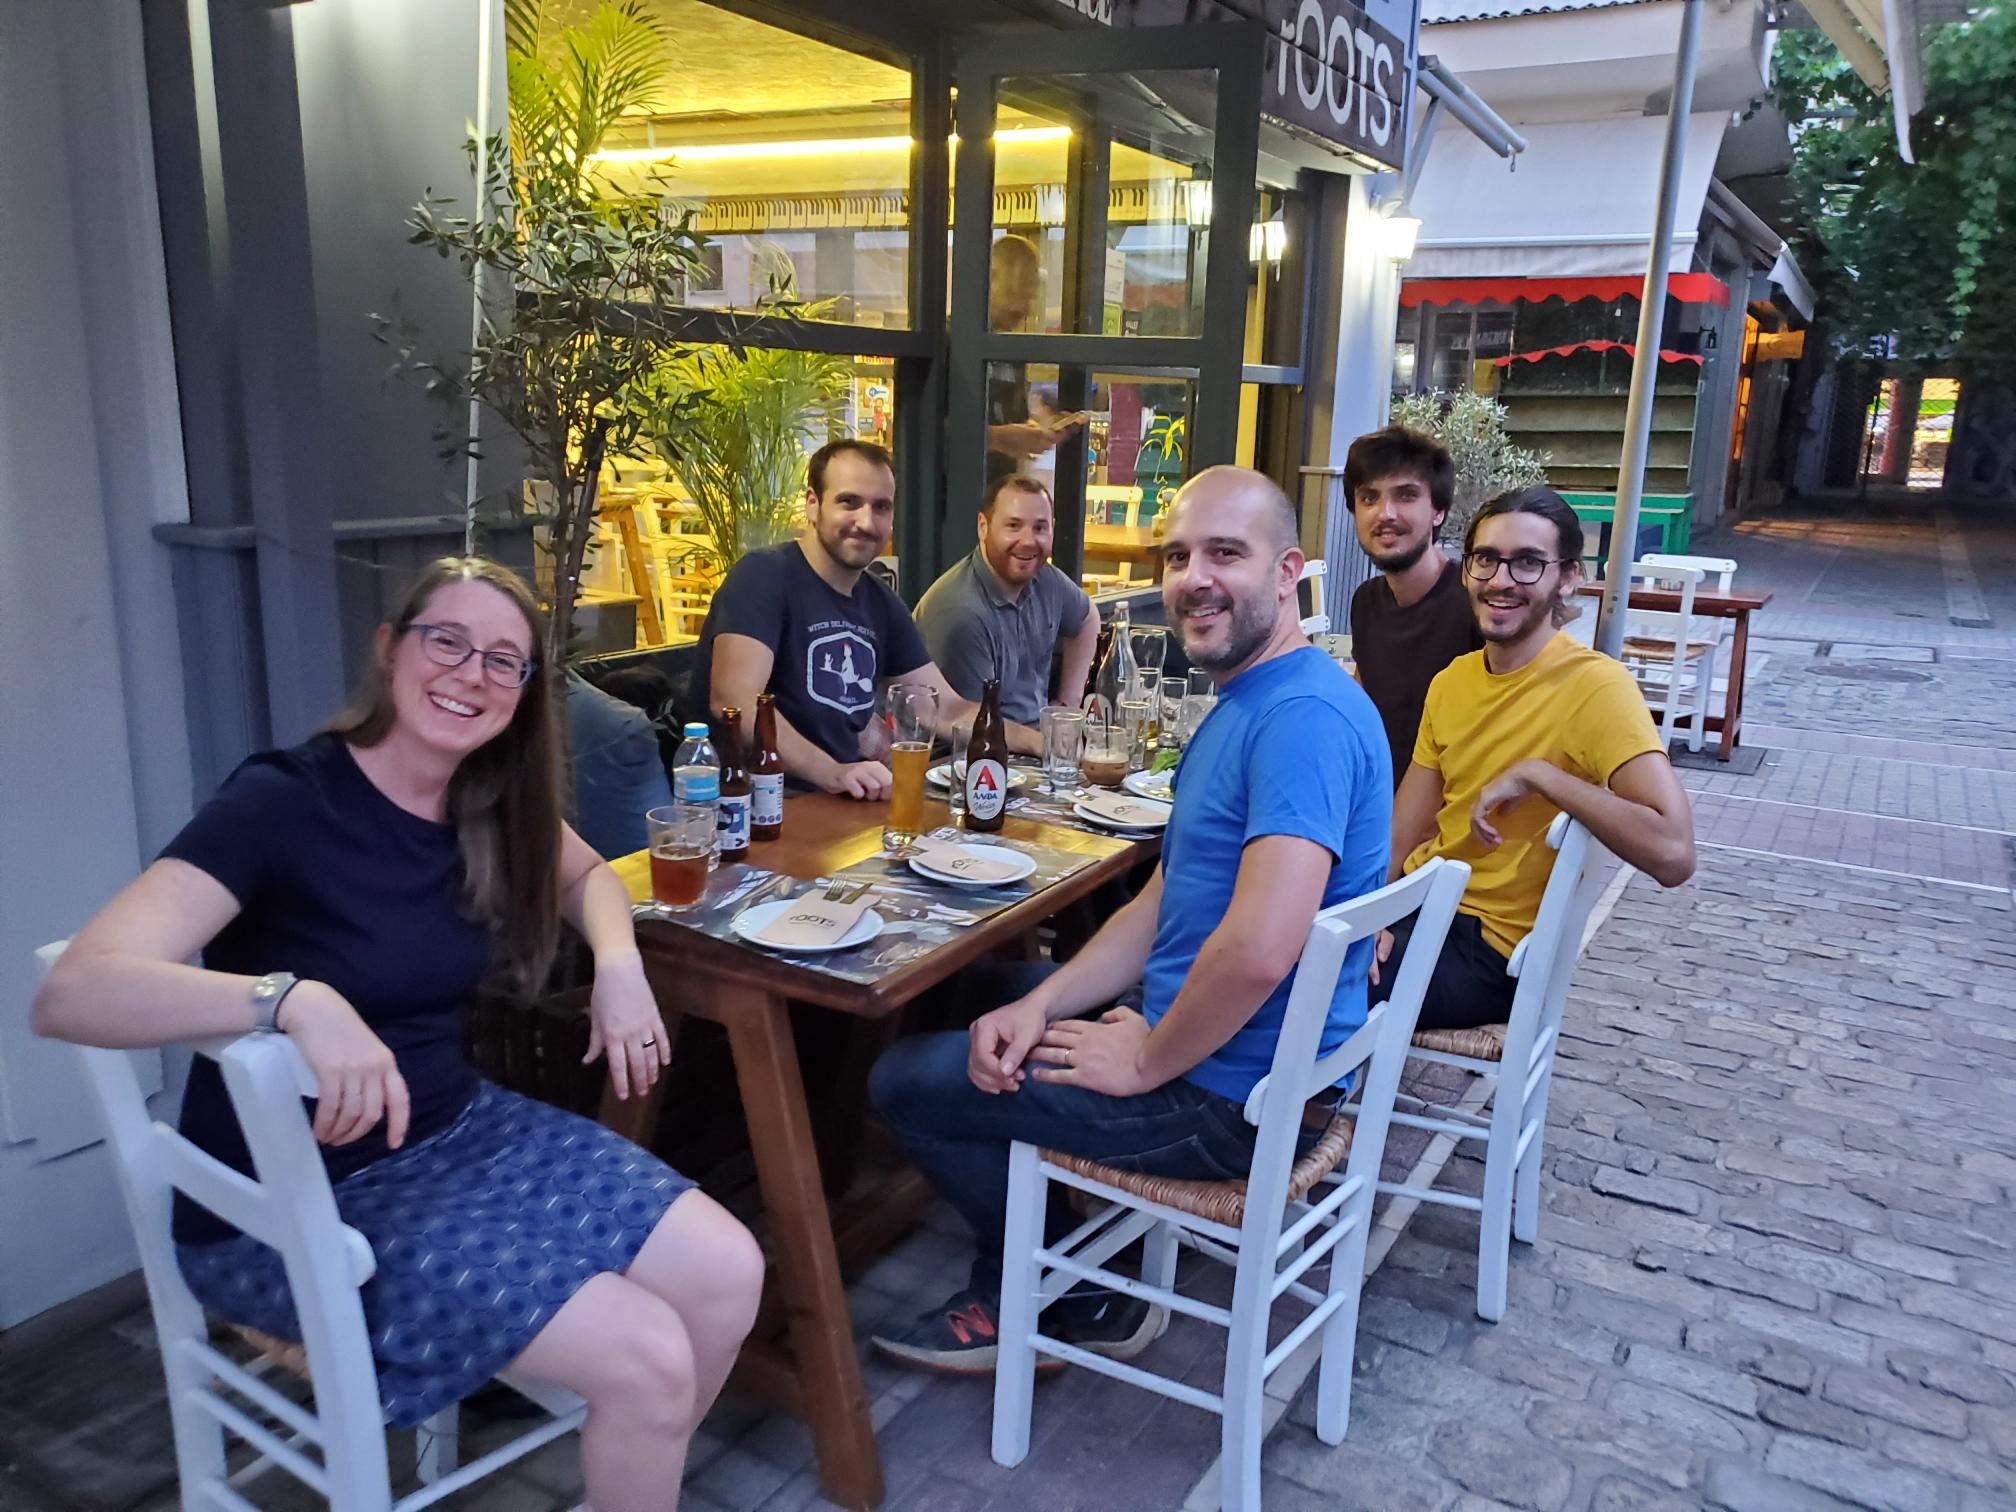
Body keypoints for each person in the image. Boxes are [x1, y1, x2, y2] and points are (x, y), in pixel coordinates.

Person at [33, 558, 762, 1512]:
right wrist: (291, 999)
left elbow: (591, 881)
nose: (472, 674)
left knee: (728, 1271)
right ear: (389, 651)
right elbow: (74, 991)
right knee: (651, 1357)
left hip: (453, 1134)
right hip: (295, 1197)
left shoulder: (486, 800)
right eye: (447, 641)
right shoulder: (287, 800)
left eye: (505, 661)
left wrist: (620, 969)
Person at [866, 466, 1390, 1374]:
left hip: (1235, 1101)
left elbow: (1261, 948)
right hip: (1242, 1048)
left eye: (1226, 553)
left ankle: (1060, 1293)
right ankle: (1045, 1232)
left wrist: (1145, 1056)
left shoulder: (1298, 718)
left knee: (904, 1080)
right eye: (1179, 555)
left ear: (1288, 573)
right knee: (987, 991)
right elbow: (1164, 900)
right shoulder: (1253, 699)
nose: (1194, 577)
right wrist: (1049, 1006)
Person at [1373, 486, 1696, 1032]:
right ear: (1466, 570)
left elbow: (1673, 852)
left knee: (1298, 974)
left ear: (1567, 577)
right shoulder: (1452, 683)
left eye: (1527, 564)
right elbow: (1400, 837)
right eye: (1487, 560)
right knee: (1267, 933)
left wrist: (1541, 776)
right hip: (1418, 908)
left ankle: (1309, 1113)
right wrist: (1367, 916)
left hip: (1489, 953)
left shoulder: (1595, 688)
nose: (1501, 581)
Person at [693, 438, 1042, 801]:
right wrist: (832, 772)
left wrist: (1041, 741)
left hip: (846, 803)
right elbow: (735, 700)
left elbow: (945, 709)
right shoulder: (763, 576)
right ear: (812, 504)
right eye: (849, 502)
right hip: (759, 809)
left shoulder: (879, 601)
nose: (865, 521)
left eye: (881, 507)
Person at [1344, 425, 1482, 787]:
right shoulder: (1366, 601)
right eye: (1369, 498)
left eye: (1405, 496)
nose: (1385, 513)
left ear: (1438, 511)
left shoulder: (1476, 603)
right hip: (1373, 801)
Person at [913, 473, 1101, 726]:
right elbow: (972, 726)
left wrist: (1068, 706)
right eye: (1013, 525)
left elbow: (1088, 618)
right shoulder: (961, 611)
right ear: (983, 526)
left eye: (1040, 528)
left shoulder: (1047, 580)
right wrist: (1045, 744)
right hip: (971, 755)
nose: (1028, 541)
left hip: (1033, 746)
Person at [986, 234, 1081, 485]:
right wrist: (998, 438)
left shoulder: (1010, 348)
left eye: (1030, 298)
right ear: (989, 278)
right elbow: (924, 433)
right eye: (1015, 293)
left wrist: (1041, 431)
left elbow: (1010, 425)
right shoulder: (950, 341)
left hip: (997, 500)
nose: (1025, 309)